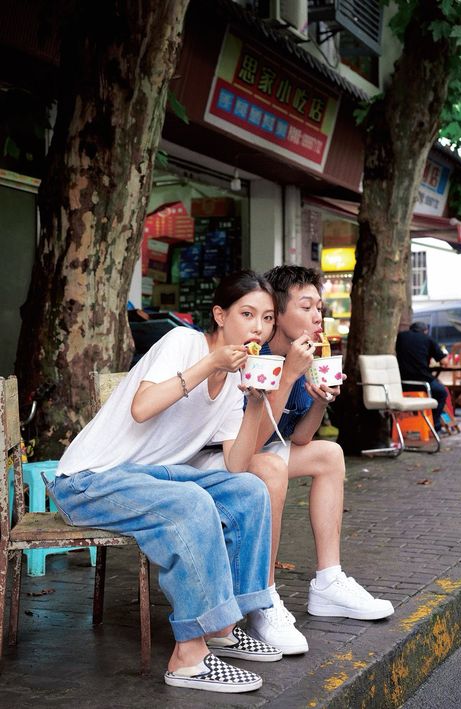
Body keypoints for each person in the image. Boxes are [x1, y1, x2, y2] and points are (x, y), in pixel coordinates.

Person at [48, 270, 286, 694]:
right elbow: (142, 407)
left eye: (267, 319)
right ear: (219, 315)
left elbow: (235, 464)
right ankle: (189, 659)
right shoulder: (185, 344)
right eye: (247, 314)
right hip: (89, 480)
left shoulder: (238, 378)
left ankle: (222, 626)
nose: (258, 328)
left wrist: (254, 402)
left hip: (149, 478)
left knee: (249, 491)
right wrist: (210, 363)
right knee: (191, 502)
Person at [191, 265, 394, 655]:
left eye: (320, 307)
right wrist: (288, 378)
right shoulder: (256, 355)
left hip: (260, 450)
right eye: (307, 306)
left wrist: (319, 399)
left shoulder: (304, 357)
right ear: (278, 315)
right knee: (271, 467)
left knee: (329, 454)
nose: (318, 316)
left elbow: (299, 437)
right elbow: (251, 446)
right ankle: (261, 599)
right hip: (218, 457)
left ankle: (328, 583)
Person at [396, 321, 449, 432]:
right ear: (425, 331)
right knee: (442, 393)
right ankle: (434, 425)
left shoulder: (400, 337)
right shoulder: (428, 339)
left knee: (436, 388)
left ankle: (421, 423)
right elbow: (444, 361)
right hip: (422, 383)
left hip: (401, 383)